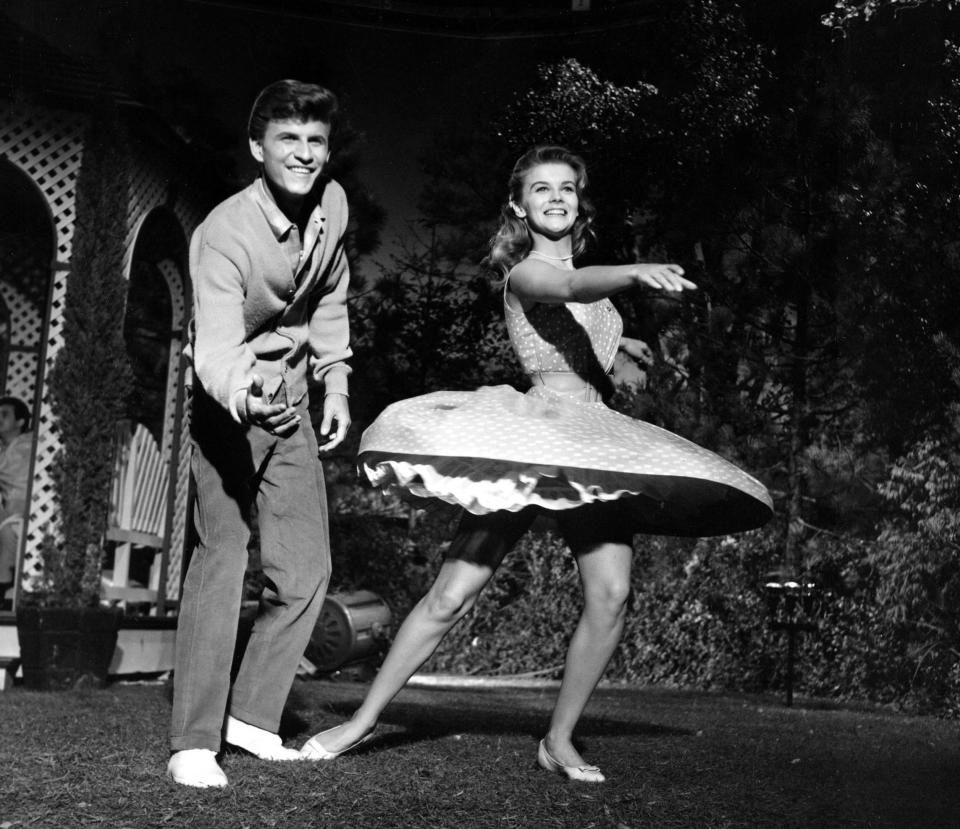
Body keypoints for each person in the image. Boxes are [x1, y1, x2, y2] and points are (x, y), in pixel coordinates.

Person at [299, 145, 773, 782]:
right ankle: (361, 722)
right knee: (452, 595)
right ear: (520, 206)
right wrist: (636, 271)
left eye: (568, 188)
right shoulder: (525, 271)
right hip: (532, 439)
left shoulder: (600, 299)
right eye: (541, 188)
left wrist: (621, 346)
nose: (556, 197)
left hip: (590, 444)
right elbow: (570, 286)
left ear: (580, 202)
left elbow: (586, 318)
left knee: (611, 593)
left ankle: (559, 739)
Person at [168, 79, 353, 788]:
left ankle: (252, 717)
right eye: (289, 141)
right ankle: (193, 740)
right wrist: (245, 394)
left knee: (306, 570)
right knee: (223, 553)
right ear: (257, 148)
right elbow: (212, 345)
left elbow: (332, 293)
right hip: (230, 399)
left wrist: (335, 383)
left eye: (316, 142)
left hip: (298, 396)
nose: (305, 155)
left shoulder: (331, 205)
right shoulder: (223, 233)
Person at [0, 395, 33, 607]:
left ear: (20, 422)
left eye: (4, 415)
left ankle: (2, 591)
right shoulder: (5, 449)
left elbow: (7, 471)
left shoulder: (25, 447)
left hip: (25, 513)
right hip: (10, 512)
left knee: (8, 531)